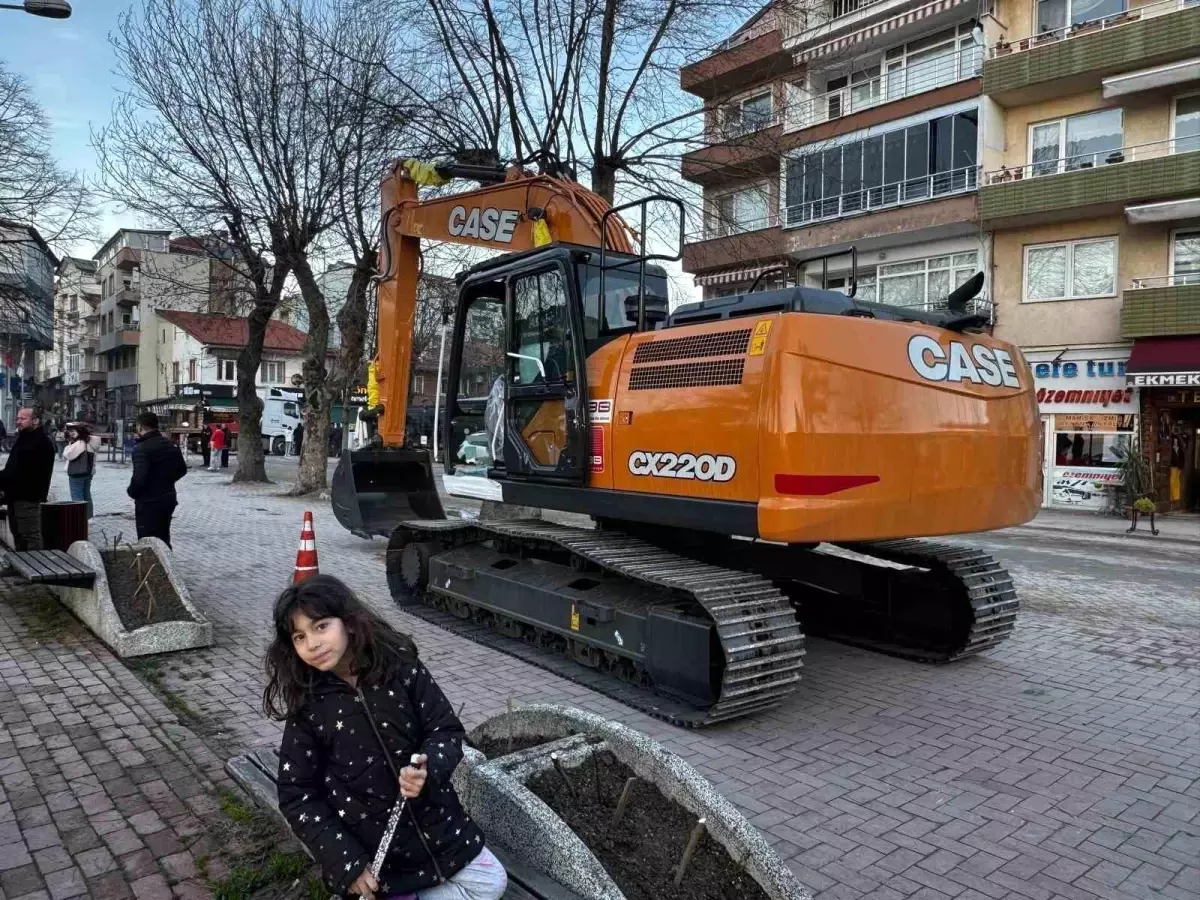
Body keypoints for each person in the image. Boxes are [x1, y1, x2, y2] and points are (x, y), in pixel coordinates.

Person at [264, 575, 507, 900]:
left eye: (321, 626)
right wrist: (346, 862)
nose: (312, 644)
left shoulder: (400, 667)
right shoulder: (309, 707)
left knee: (493, 883)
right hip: (373, 852)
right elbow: (297, 793)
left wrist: (428, 767)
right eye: (299, 637)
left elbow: (445, 730)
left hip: (438, 829)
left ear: (348, 622)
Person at [127, 411, 187, 548]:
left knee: (147, 540)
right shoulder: (170, 444)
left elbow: (139, 477)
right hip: (168, 497)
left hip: (149, 501)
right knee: (164, 536)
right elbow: (182, 469)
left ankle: (154, 567)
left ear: (140, 427)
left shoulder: (141, 449)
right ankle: (167, 563)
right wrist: (166, 481)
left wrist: (132, 491)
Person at [0, 407, 55, 550]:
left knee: (30, 536)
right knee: (18, 534)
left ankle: (36, 568)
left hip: (28, 498)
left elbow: (23, 472)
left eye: (23, 419)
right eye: (17, 418)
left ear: (35, 421)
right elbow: (12, 469)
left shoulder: (40, 442)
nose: (18, 422)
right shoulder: (24, 439)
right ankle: (22, 565)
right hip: (15, 496)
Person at [63, 423, 101, 519]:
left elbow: (68, 454)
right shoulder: (90, 441)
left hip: (77, 473)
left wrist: (69, 444)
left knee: (77, 496)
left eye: (72, 431)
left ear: (79, 431)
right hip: (88, 472)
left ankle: (79, 518)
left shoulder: (79, 443)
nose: (70, 434)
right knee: (86, 494)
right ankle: (88, 516)